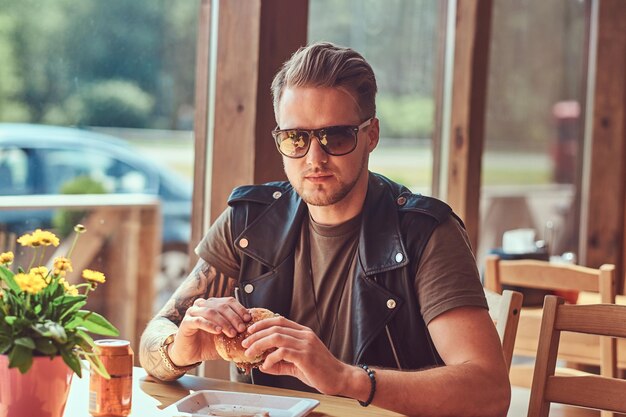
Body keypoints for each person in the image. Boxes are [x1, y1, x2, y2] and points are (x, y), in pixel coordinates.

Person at [140, 41, 510, 417]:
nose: (314, 158)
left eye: (336, 137)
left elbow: (489, 393)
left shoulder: (425, 233)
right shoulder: (248, 222)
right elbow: (153, 338)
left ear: (371, 135)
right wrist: (179, 348)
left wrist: (346, 378)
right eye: (295, 138)